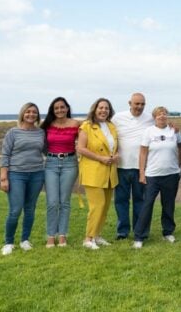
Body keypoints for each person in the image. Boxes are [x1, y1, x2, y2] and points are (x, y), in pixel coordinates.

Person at [133, 106, 181, 248]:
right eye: (159, 114)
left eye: (164, 114)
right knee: (147, 205)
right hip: (152, 175)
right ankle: (139, 236)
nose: (162, 116)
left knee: (168, 205)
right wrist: (141, 172)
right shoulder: (149, 131)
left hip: (171, 174)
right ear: (154, 117)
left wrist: (179, 164)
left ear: (167, 116)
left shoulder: (174, 131)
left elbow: (180, 148)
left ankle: (168, 232)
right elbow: (143, 153)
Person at [0, 102, 45, 255]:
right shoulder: (13, 132)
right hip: (16, 175)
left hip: (37, 174)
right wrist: (4, 178)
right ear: (22, 114)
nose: (31, 114)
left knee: (30, 209)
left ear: (37, 115)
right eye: (28, 112)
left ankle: (25, 240)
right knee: (16, 210)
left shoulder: (41, 133)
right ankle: (9, 242)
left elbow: (47, 151)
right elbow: (5, 155)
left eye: (34, 112)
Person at [77, 98, 119, 250]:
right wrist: (100, 158)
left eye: (106, 108)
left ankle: (97, 235)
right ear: (94, 109)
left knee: (105, 206)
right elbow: (81, 148)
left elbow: (115, 147)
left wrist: (116, 155)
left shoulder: (111, 126)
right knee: (97, 205)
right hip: (93, 171)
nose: (103, 111)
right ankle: (88, 238)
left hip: (109, 171)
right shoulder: (86, 126)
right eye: (101, 108)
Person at [112, 92, 154, 240]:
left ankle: (139, 230)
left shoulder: (150, 118)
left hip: (141, 168)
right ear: (130, 103)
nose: (139, 107)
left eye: (142, 104)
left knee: (140, 201)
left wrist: (173, 127)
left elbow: (161, 127)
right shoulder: (118, 118)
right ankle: (122, 231)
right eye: (137, 104)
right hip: (121, 167)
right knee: (121, 201)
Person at [42, 97, 80, 248]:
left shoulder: (76, 124)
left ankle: (62, 235)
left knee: (64, 201)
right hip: (51, 164)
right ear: (53, 110)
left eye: (62, 107)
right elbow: (40, 144)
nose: (59, 110)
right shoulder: (47, 125)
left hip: (70, 164)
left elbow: (87, 140)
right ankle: (51, 235)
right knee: (52, 202)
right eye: (56, 108)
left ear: (67, 108)